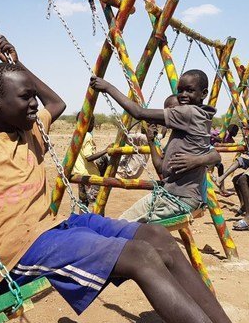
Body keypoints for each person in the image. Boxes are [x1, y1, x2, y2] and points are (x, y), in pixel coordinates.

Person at [0, 38, 233, 323]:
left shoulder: (31, 129)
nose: (34, 103)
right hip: (14, 257)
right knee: (140, 256)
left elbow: (56, 102)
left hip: (56, 230)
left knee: (156, 236)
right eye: (25, 97)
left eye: (31, 96)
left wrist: (20, 65)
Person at [90, 71, 221, 223]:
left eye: (189, 90)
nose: (183, 95)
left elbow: (138, 113)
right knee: (122, 222)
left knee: (125, 227)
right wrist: (151, 141)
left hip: (179, 199)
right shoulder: (185, 132)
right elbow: (161, 168)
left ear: (203, 93)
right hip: (169, 194)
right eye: (180, 91)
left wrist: (108, 87)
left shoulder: (189, 112)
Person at [73, 113, 101, 207]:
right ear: (89, 123)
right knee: (96, 205)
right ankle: (96, 222)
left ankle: (83, 221)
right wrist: (106, 150)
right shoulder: (87, 136)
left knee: (83, 204)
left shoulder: (77, 135)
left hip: (79, 174)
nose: (93, 125)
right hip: (90, 176)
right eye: (92, 122)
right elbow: (88, 157)